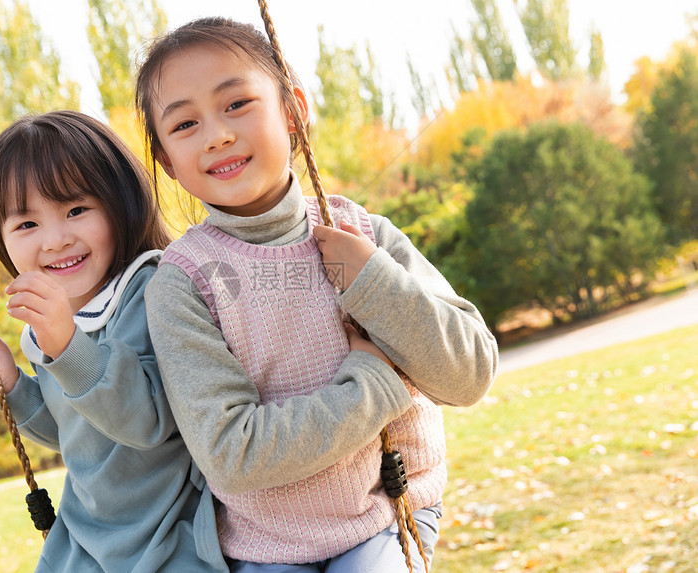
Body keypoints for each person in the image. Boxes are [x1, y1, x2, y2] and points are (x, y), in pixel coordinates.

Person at [135, 17, 499, 573]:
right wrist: (373, 385)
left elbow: (470, 375)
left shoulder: (363, 236)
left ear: (294, 110)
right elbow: (232, 453)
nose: (216, 135)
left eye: (236, 104)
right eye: (184, 124)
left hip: (388, 514)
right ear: (167, 161)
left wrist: (373, 281)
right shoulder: (183, 284)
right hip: (267, 546)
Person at [0, 110, 228, 573]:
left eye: (76, 210)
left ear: (119, 204)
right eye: (27, 225)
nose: (56, 240)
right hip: (85, 537)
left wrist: (67, 345)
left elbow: (147, 421)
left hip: (167, 534)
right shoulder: (54, 322)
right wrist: (15, 388)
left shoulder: (148, 290)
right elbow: (78, 437)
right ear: (1, 239)